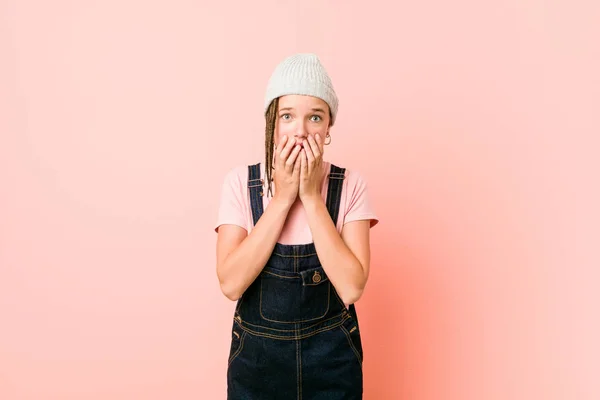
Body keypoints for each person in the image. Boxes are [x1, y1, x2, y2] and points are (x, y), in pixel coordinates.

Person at [214, 53, 379, 399]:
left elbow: (351, 287)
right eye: (288, 116)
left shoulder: (350, 185)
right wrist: (284, 198)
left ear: (328, 127)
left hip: (332, 364)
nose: (300, 131)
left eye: (314, 117)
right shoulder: (240, 185)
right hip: (257, 368)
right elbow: (231, 283)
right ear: (272, 122)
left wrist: (311, 197)